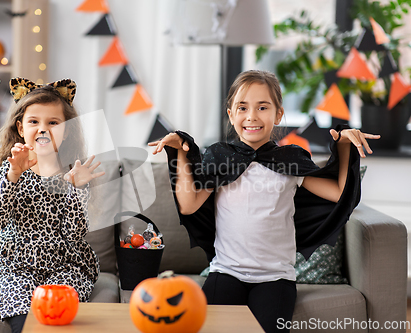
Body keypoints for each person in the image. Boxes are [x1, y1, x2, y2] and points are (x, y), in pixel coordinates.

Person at [149, 70, 379, 332]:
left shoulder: (290, 159)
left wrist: (344, 145)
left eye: (262, 107)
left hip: (275, 278)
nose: (252, 116)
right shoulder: (220, 158)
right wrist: (180, 150)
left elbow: (338, 192)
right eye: (243, 107)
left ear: (278, 114)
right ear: (231, 114)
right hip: (226, 272)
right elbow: (189, 205)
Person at [0, 77, 105, 333]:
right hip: (15, 263)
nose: (43, 129)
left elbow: (74, 234)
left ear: (66, 130)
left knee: (58, 314)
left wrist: (77, 189)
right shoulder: (10, 170)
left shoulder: (74, 174)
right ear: (21, 128)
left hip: (64, 263)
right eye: (34, 121)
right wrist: (12, 176)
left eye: (53, 123)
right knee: (23, 316)